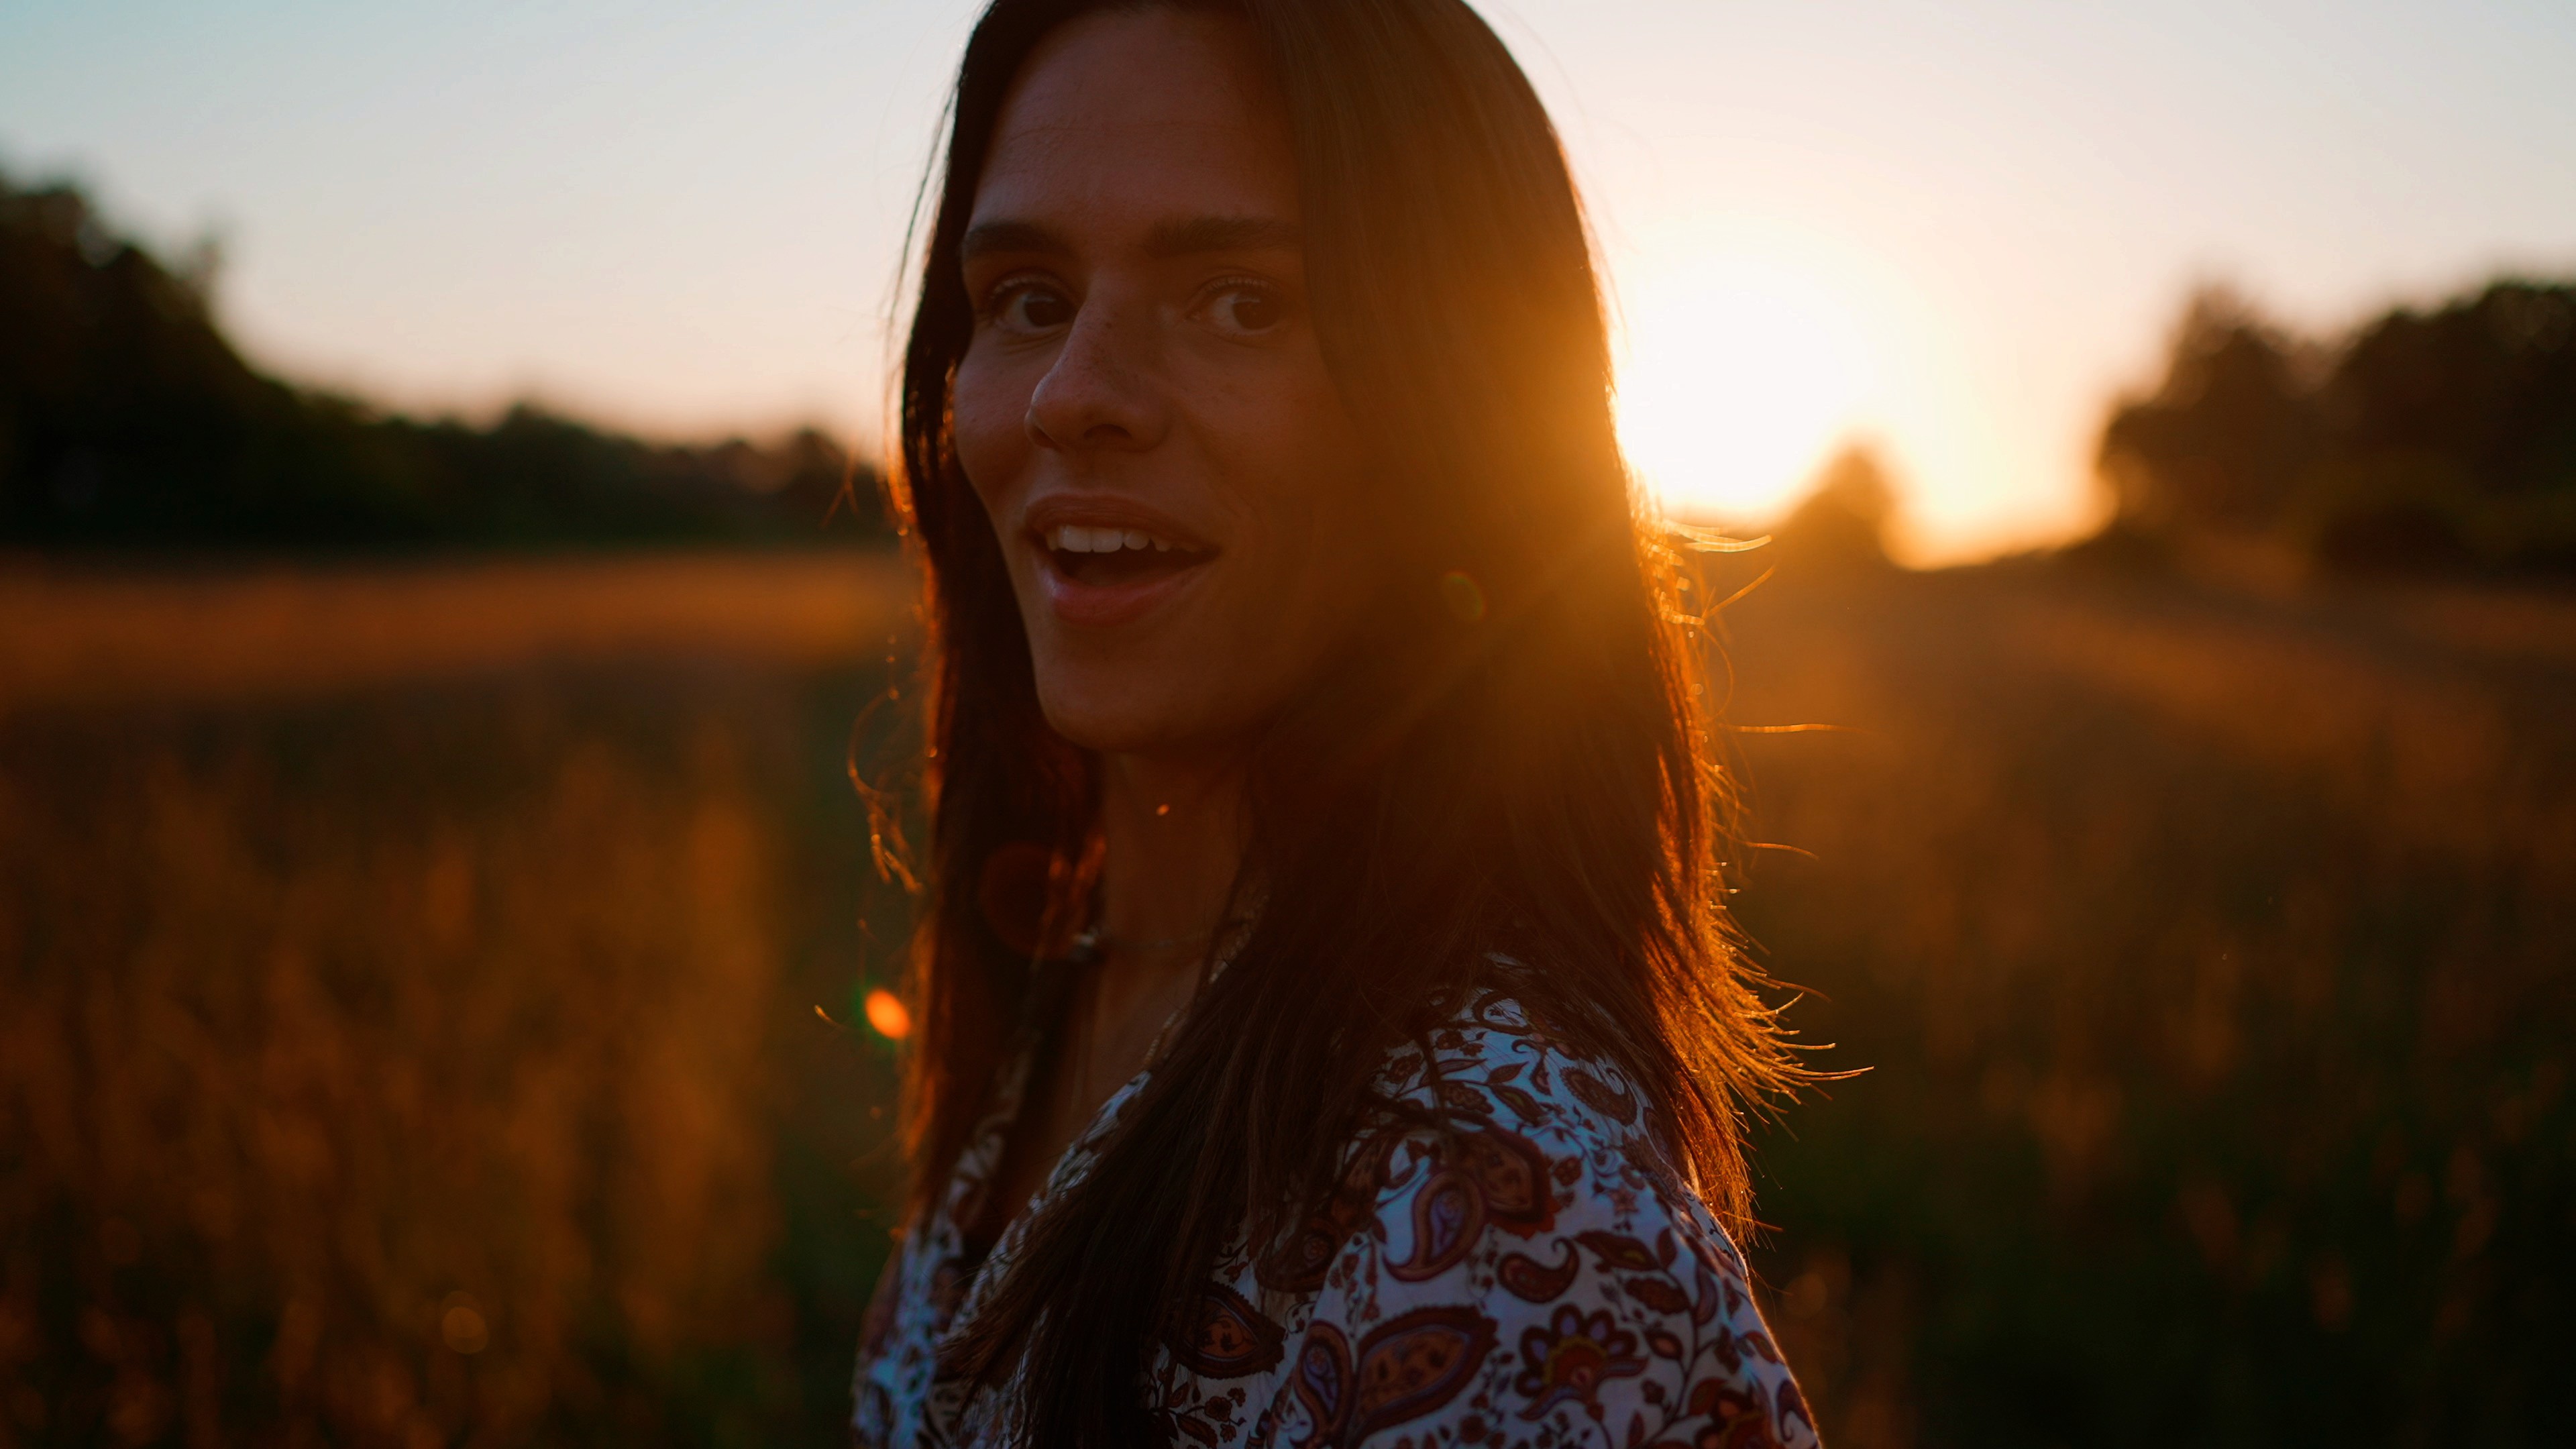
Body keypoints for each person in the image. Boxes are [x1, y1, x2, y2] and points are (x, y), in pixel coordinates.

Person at [853, 0, 1819, 1443]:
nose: (1072, 398)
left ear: (1463, 412)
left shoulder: (1514, 1234)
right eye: (1030, 299)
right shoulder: (1079, 969)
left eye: (1238, 299)